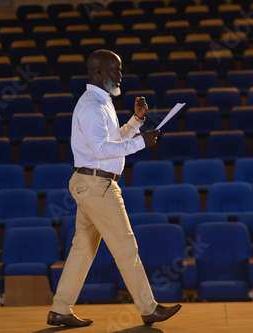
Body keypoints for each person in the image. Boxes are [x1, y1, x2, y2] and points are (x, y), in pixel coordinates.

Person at [47, 49, 181, 327]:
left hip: (91, 183)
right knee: (126, 248)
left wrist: (135, 122)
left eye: (120, 70)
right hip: (97, 185)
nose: (120, 75)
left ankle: (60, 309)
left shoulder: (101, 101)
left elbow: (111, 141)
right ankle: (148, 308)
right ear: (97, 72)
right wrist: (141, 142)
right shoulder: (92, 106)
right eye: (115, 70)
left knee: (82, 248)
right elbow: (101, 149)